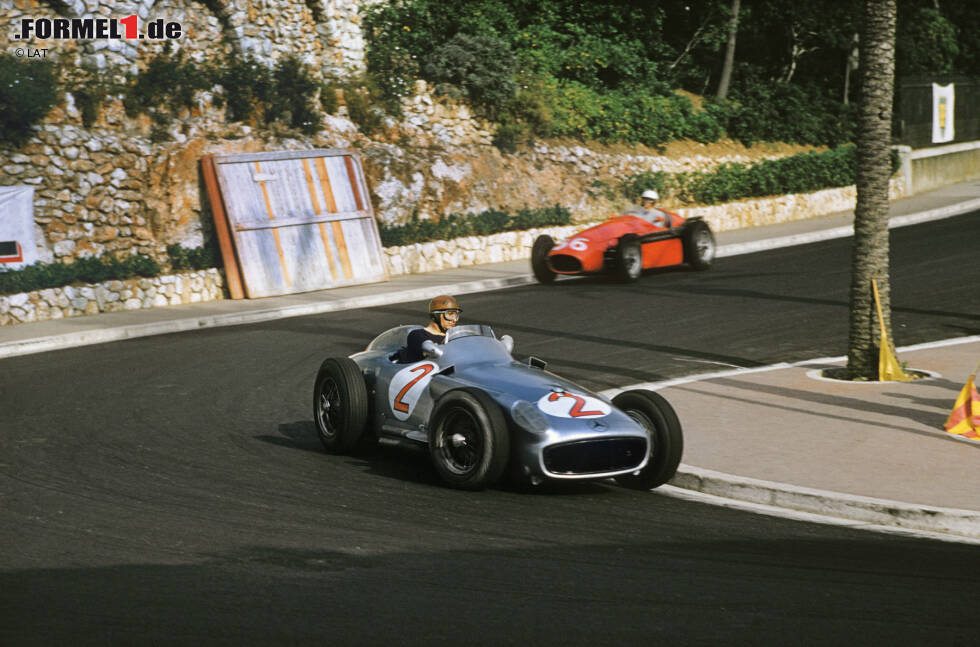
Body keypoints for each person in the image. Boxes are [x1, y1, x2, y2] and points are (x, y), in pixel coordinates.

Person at [398, 295, 462, 362]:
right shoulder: (417, 335)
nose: (455, 320)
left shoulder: (455, 336)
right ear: (435, 315)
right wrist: (444, 345)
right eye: (450, 314)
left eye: (456, 315)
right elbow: (431, 352)